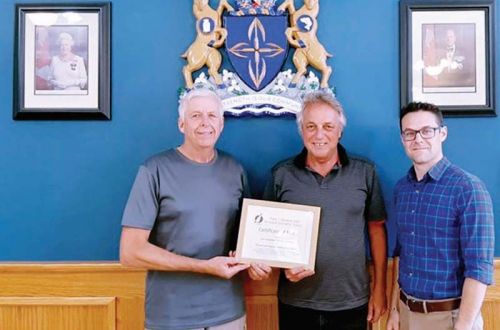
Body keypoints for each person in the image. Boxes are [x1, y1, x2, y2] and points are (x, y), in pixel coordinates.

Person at [249, 90, 388, 329]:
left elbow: (376, 230)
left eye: (328, 126)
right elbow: (264, 239)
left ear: (340, 131)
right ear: (301, 131)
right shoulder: (281, 175)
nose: (319, 135)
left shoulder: (365, 172)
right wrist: (280, 265)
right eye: (311, 126)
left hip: (351, 303)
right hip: (296, 303)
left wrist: (380, 290)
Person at [120, 88, 250, 330]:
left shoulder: (235, 170)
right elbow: (130, 252)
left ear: (221, 125)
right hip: (171, 317)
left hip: (228, 314)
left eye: (212, 116)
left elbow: (247, 239)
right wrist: (203, 266)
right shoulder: (154, 170)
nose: (205, 123)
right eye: (196, 116)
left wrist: (258, 261)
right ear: (181, 124)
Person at [386, 102, 494, 330]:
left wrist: (463, 326)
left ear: (442, 133)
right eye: (409, 133)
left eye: (427, 131)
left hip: (451, 318)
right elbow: (400, 253)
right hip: (406, 314)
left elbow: (479, 268)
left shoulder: (468, 188)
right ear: (402, 139)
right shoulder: (402, 189)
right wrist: (395, 309)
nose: (418, 139)